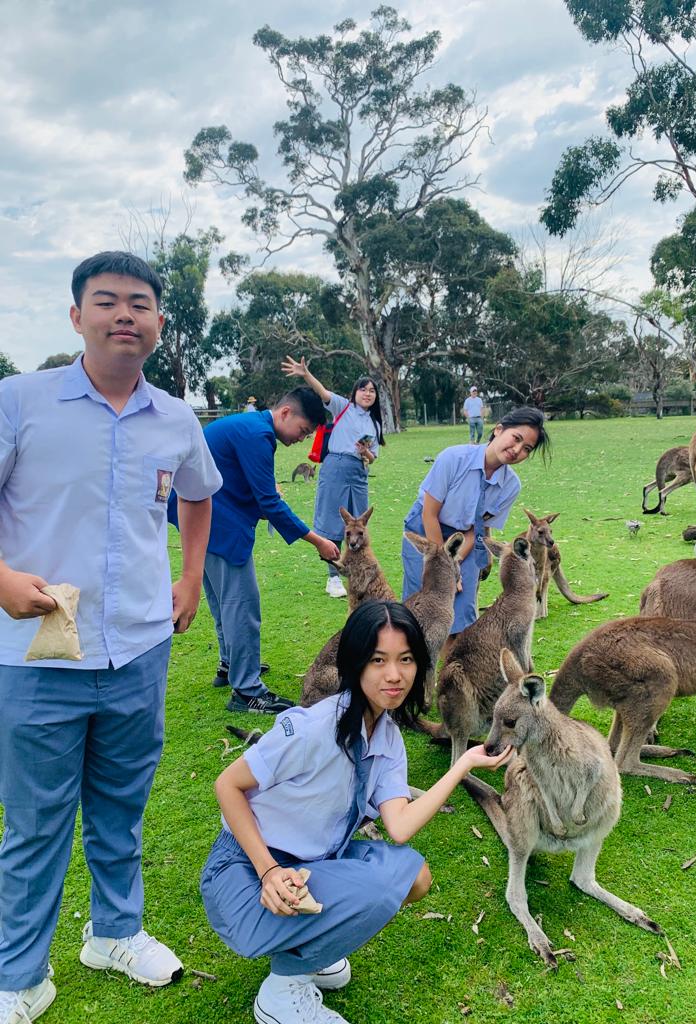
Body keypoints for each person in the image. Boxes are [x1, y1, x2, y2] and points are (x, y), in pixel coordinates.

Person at [0, 251, 222, 1024]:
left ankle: (114, 931)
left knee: (122, 807)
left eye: (139, 303)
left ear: (160, 323)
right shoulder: (20, 402)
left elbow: (198, 499)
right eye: (106, 302)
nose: (124, 314)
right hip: (34, 656)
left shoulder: (175, 419)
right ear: (75, 317)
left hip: (137, 647)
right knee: (35, 823)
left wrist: (190, 579)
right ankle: (20, 975)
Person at [200, 601, 511, 1024]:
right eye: (378, 660)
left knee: (412, 878)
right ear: (355, 664)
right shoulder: (312, 727)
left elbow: (399, 827)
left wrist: (463, 765)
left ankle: (308, 953)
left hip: (311, 864)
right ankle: (282, 990)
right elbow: (227, 786)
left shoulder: (387, 738)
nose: (394, 675)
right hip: (246, 867)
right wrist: (269, 871)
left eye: (406, 660)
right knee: (381, 887)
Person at [168, 389, 340, 714]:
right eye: (303, 431)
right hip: (218, 521)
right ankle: (247, 690)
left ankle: (229, 664)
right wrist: (317, 540)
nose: (302, 440)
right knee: (241, 603)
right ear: (286, 412)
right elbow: (268, 502)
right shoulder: (258, 434)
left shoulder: (251, 427)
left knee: (222, 600)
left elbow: (241, 482)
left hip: (206, 517)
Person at [402, 407, 550, 636]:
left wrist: (456, 563)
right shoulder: (453, 458)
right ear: (499, 430)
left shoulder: (510, 485)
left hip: (466, 539)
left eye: (526, 449)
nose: (517, 450)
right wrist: (445, 568)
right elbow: (429, 514)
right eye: (516, 438)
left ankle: (453, 668)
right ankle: (413, 666)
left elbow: (477, 527)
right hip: (427, 530)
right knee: (423, 608)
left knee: (462, 613)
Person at [281, 356, 385, 599]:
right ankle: (333, 577)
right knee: (332, 523)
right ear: (355, 393)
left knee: (357, 524)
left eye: (372, 391)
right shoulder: (343, 407)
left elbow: (374, 458)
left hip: (359, 472)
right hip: (335, 467)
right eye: (363, 389)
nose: (368, 394)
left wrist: (366, 452)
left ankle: (358, 572)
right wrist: (305, 374)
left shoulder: (375, 422)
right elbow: (322, 392)